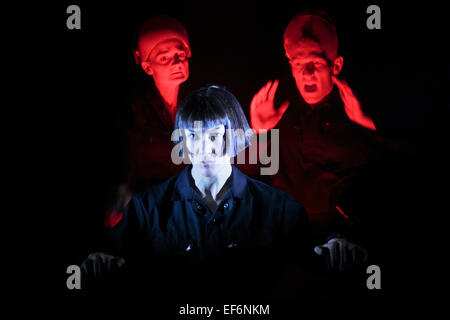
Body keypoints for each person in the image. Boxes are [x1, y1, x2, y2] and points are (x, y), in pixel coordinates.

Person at [82, 85, 368, 297]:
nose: (204, 149)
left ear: (235, 137)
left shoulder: (274, 206)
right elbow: (107, 247)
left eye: (215, 136)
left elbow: (317, 239)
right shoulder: (149, 208)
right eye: (193, 136)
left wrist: (338, 243)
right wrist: (98, 258)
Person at [250, 10, 382, 224]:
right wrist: (260, 133)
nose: (307, 73)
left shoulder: (354, 112)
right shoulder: (281, 114)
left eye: (316, 63)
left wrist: (365, 123)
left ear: (336, 66)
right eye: (298, 64)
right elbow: (255, 178)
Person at [105, 15, 192, 229]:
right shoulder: (132, 113)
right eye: (164, 58)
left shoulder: (194, 110)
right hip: (145, 223)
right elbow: (118, 163)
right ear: (147, 66)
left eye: (180, 54)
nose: (176, 62)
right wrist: (119, 198)